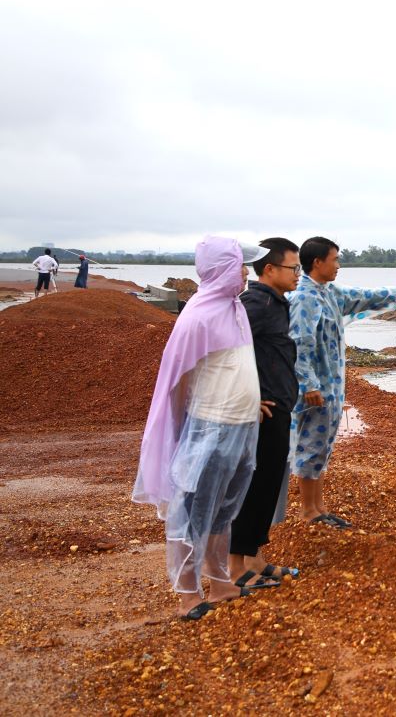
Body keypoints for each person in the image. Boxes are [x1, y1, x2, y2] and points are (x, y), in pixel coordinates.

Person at [132, 236, 277, 621]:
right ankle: (187, 594)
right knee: (194, 509)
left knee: (224, 509)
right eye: (240, 265)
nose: (246, 271)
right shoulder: (197, 317)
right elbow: (177, 380)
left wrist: (251, 401)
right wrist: (180, 430)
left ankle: (220, 582)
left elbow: (235, 366)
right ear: (222, 269)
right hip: (210, 426)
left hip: (241, 425)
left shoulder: (234, 310)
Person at [282, 236, 396, 528]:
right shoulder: (304, 298)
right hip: (314, 388)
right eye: (335, 259)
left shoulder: (329, 292)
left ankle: (319, 508)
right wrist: (308, 384)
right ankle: (308, 511)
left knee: (322, 444)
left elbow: (361, 295)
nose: (338, 265)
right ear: (317, 262)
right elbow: (299, 344)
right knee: (310, 445)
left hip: (331, 385)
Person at [228, 238, 303, 587]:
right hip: (264, 412)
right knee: (254, 487)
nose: (298, 274)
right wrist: (248, 400)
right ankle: (235, 568)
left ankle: (255, 559)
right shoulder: (254, 304)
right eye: (294, 268)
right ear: (270, 269)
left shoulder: (276, 303)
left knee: (269, 485)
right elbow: (223, 353)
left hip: (280, 407)